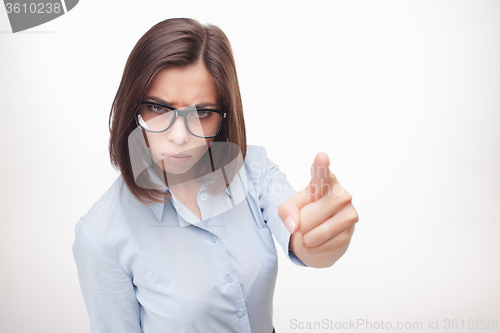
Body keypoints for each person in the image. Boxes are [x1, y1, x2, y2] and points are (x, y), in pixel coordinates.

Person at [72, 17, 359, 333]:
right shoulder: (100, 234)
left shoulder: (254, 167)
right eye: (158, 108)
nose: (179, 136)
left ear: (224, 115)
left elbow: (301, 233)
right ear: (133, 109)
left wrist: (318, 237)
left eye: (202, 113)